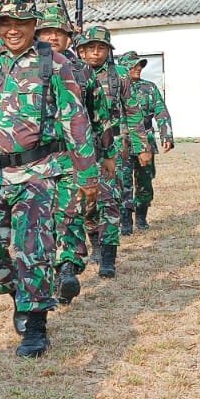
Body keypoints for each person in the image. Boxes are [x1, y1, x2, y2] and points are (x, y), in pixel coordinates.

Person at [0, 0, 96, 357]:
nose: (13, 29)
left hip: (37, 173)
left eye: (21, 22)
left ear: (34, 24)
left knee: (34, 250)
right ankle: (19, 293)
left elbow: (75, 119)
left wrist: (87, 174)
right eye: (6, 22)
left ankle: (35, 323)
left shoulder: (54, 64)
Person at [39, 5, 113, 305]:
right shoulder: (23, 68)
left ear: (69, 38)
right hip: (33, 161)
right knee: (39, 222)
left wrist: (106, 153)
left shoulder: (82, 71)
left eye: (59, 33)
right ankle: (46, 274)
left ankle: (66, 268)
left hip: (71, 157)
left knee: (68, 215)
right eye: (46, 32)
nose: (52, 37)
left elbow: (100, 114)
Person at [75, 26, 129, 278]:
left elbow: (133, 112)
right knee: (87, 203)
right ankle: (93, 239)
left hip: (109, 147)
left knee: (110, 201)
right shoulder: (69, 74)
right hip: (79, 150)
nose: (96, 53)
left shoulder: (120, 76)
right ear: (81, 50)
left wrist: (138, 146)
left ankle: (109, 256)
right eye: (90, 48)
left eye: (101, 48)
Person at [117, 53, 174, 231]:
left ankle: (141, 216)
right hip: (123, 141)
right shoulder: (115, 88)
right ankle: (125, 221)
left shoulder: (149, 88)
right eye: (134, 65)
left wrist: (167, 135)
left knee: (145, 181)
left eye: (140, 65)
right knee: (123, 181)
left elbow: (161, 111)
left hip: (146, 140)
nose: (138, 68)